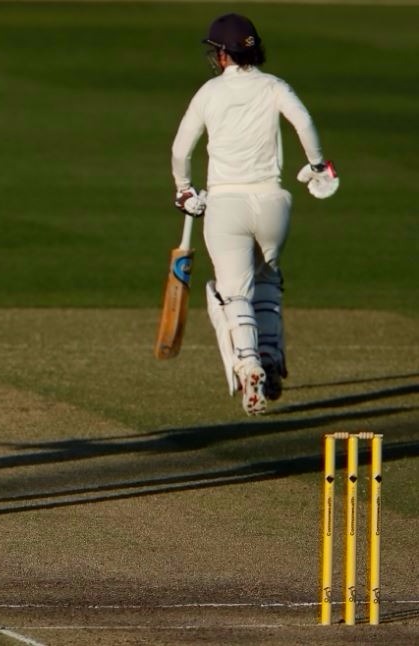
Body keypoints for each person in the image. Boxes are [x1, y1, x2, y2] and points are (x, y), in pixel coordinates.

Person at [171, 14, 339, 416]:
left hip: (227, 205)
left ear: (224, 55)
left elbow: (181, 149)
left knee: (233, 293)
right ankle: (271, 356)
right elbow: (305, 123)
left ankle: (249, 367)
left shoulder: (210, 92)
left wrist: (184, 191)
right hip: (273, 203)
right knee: (267, 279)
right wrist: (317, 167)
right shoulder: (275, 86)